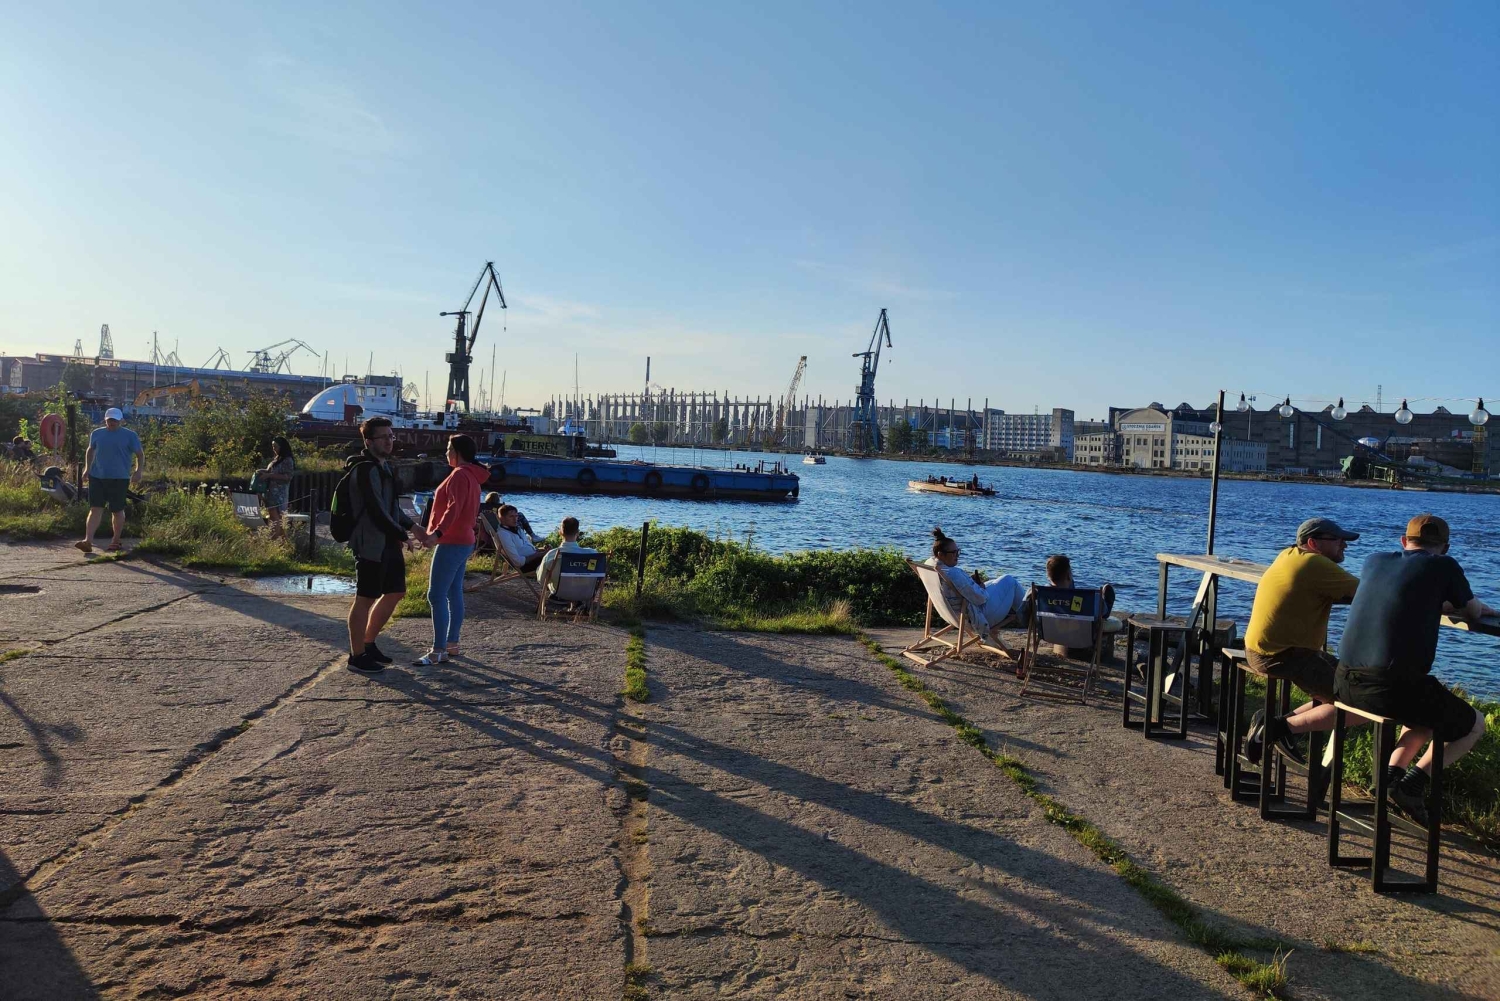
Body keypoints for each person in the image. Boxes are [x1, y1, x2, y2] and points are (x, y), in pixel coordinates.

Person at [1335, 514, 1495, 825]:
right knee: (1475, 724)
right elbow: (1473, 611)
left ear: (1403, 541)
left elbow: (1408, 595)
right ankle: (1413, 784)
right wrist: (1475, 606)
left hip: (1344, 680)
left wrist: (1438, 603)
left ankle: (1388, 780)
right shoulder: (1443, 566)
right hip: (1390, 689)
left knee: (1425, 712)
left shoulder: (1374, 560)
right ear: (1445, 547)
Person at [1241, 517, 1362, 764]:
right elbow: (1368, 593)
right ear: (1313, 543)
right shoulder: (1314, 564)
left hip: (1263, 649)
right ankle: (1277, 730)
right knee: (1363, 702)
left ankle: (1275, 726)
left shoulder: (1289, 555)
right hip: (1283, 655)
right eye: (1337, 540)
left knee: (1350, 680)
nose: (1344, 545)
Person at [345, 417, 430, 673]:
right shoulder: (364, 470)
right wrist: (402, 534)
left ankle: (368, 643)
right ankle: (356, 656)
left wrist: (413, 527)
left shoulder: (386, 468)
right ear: (368, 441)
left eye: (391, 436)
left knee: (395, 591)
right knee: (365, 598)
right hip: (370, 543)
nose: (389, 441)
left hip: (387, 541)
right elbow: (376, 510)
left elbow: (392, 508)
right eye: (383, 437)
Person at [413, 435, 490, 666]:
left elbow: (453, 508)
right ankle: (451, 644)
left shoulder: (458, 475)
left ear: (457, 452)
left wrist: (436, 534)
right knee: (453, 592)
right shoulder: (472, 476)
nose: (446, 453)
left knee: (435, 595)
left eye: (449, 449)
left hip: (452, 541)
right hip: (464, 540)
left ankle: (438, 650)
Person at [926, 527, 1027, 637]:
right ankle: (1031, 616)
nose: (957, 555)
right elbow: (981, 599)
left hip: (951, 614)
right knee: (1010, 581)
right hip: (976, 617)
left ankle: (1029, 611)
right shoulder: (953, 573)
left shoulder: (930, 565)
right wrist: (981, 588)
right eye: (953, 552)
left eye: (958, 551)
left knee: (996, 582)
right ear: (940, 554)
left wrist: (972, 583)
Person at [74, 408, 144, 555]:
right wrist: (87, 469)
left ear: (121, 421)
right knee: (95, 508)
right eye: (110, 420)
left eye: (115, 420)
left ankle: (115, 540)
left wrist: (138, 471)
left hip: (119, 478)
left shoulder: (130, 435)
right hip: (97, 476)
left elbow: (139, 454)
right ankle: (88, 541)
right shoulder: (97, 433)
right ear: (105, 420)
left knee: (117, 510)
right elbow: (90, 450)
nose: (112, 423)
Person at [1045, 554, 1116, 619]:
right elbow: (1102, 611)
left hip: (1051, 627)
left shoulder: (1042, 596)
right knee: (1101, 609)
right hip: (1076, 627)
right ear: (1068, 576)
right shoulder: (1089, 599)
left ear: (1048, 576)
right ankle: (1106, 610)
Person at [537, 516, 589, 595]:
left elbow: (541, 580)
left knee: (540, 569)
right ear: (578, 533)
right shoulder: (592, 554)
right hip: (584, 594)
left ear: (560, 532)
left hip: (559, 594)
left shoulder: (551, 555)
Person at [260, 436, 296, 541]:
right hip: (270, 492)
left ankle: (274, 540)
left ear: (282, 447)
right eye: (272, 446)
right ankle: (283, 543)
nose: (274, 449)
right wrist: (262, 472)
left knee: (276, 518)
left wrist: (269, 475)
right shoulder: (276, 459)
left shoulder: (287, 460)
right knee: (275, 518)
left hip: (279, 493)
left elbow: (288, 477)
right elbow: (270, 471)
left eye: (275, 446)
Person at [496, 504, 551, 572]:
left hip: (534, 559)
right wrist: (539, 555)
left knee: (557, 553)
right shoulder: (504, 535)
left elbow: (526, 548)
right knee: (557, 559)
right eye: (511, 516)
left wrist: (542, 550)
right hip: (527, 565)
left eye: (516, 516)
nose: (515, 519)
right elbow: (517, 562)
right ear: (502, 518)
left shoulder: (517, 529)